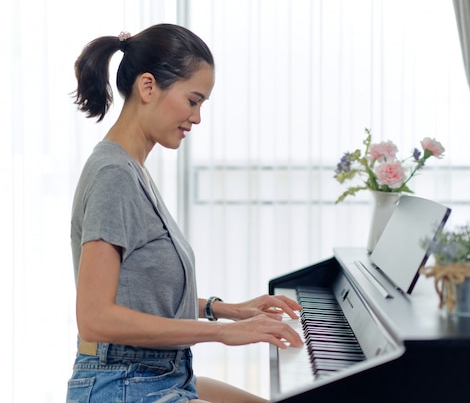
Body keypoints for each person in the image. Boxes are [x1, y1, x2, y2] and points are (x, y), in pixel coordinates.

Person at [66, 23, 303, 403]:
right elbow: (95, 317)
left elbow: (139, 296)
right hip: (122, 384)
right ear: (148, 87)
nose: (196, 118)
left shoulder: (131, 170)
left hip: (160, 375)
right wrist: (221, 334)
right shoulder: (114, 176)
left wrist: (227, 310)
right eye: (193, 100)